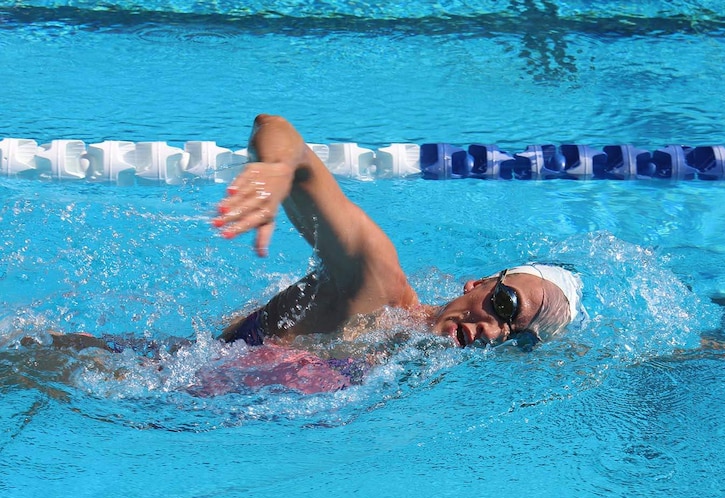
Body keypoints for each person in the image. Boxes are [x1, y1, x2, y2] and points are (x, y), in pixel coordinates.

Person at [214, 114, 587, 352]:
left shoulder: (405, 367)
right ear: (478, 284)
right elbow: (276, 129)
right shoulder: (377, 289)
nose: (495, 332)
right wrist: (278, 168)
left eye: (518, 338)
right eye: (506, 305)